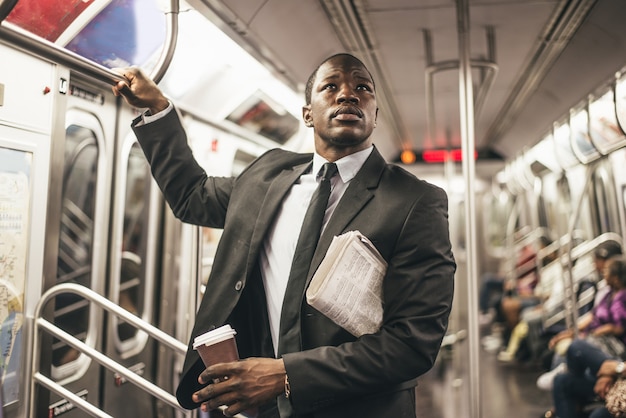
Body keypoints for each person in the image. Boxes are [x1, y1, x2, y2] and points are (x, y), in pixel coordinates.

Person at [112, 53, 456, 418]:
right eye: (331, 87)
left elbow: (412, 344)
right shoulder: (268, 176)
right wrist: (158, 109)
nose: (347, 95)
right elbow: (192, 197)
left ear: (374, 114)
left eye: (362, 88)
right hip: (264, 408)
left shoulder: (414, 201)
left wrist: (285, 375)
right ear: (307, 114)